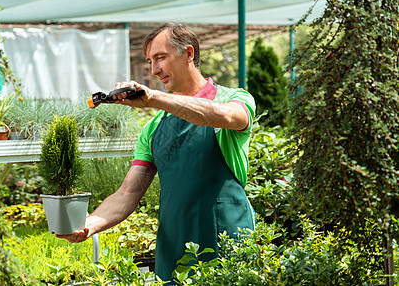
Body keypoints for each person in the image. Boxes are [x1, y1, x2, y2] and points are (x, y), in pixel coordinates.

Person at [57, 23, 256, 283]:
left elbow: (225, 116)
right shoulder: (153, 128)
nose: (154, 70)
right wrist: (89, 224)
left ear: (189, 54)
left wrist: (153, 98)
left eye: (160, 58)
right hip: (174, 246)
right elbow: (128, 193)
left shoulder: (235, 98)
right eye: (150, 61)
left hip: (226, 238)